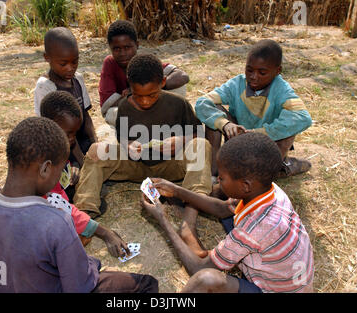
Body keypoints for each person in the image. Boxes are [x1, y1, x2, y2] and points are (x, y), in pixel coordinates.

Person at [0, 116, 158, 293]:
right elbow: (80, 286)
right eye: (60, 170)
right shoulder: (56, 222)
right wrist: (93, 265)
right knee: (147, 284)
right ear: (46, 169)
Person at [74, 54, 212, 258]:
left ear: (163, 83)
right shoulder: (124, 107)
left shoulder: (178, 103)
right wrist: (129, 146)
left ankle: (189, 224)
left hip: (170, 167)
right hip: (135, 166)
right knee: (96, 151)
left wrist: (180, 141)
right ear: (129, 87)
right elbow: (122, 139)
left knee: (201, 146)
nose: (145, 101)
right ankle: (84, 219)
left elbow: (196, 133)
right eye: (138, 95)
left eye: (152, 95)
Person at [141, 132, 314, 293]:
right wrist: (177, 190)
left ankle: (189, 233)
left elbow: (199, 268)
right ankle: (191, 229)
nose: (218, 180)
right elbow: (222, 209)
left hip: (276, 289)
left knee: (205, 279)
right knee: (223, 199)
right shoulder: (271, 190)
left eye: (222, 177)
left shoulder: (255, 227)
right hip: (285, 270)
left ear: (246, 185)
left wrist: (162, 219)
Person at [195, 39, 312, 178]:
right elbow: (202, 102)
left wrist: (259, 133)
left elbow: (303, 118)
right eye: (249, 70)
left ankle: (272, 171)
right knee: (215, 113)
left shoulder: (282, 90)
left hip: (265, 146)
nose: (253, 77)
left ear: (277, 71)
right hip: (237, 141)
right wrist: (225, 124)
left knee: (289, 129)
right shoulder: (237, 84)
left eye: (262, 73)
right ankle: (213, 173)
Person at [40, 90, 129, 257]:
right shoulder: (42, 162)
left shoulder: (55, 148)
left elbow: (60, 195)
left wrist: (72, 167)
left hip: (56, 200)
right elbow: (56, 202)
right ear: (48, 124)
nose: (73, 139)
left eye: (74, 133)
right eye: (68, 134)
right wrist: (103, 232)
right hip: (43, 213)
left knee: (95, 206)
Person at [99, 19, 190, 126]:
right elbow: (106, 105)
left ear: (137, 45)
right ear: (110, 48)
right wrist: (135, 96)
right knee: (112, 114)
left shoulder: (143, 59)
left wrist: (149, 90)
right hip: (131, 110)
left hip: (152, 105)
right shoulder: (110, 63)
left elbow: (182, 76)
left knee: (179, 88)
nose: (122, 53)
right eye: (117, 49)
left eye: (127, 47)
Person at [34, 27, 97, 170]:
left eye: (74, 62)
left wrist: (95, 143)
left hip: (81, 141)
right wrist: (82, 161)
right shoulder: (45, 86)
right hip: (60, 146)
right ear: (47, 58)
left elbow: (86, 117)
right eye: (63, 64)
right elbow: (59, 132)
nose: (70, 68)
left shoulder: (78, 79)